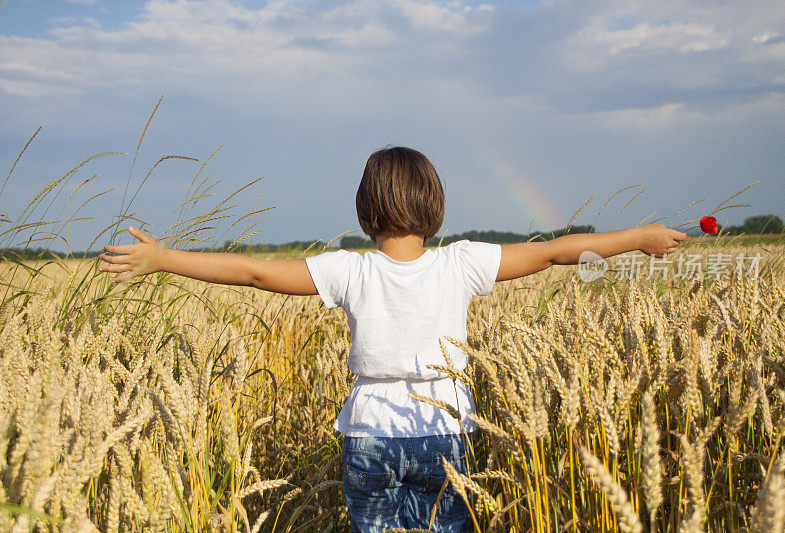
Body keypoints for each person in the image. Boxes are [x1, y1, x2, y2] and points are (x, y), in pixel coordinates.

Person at [98, 146, 686, 532]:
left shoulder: (349, 270)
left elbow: (253, 273)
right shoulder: (463, 262)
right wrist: (639, 237)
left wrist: (163, 257)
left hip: (369, 430)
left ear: (365, 210)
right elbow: (559, 251)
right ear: (435, 205)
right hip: (445, 427)